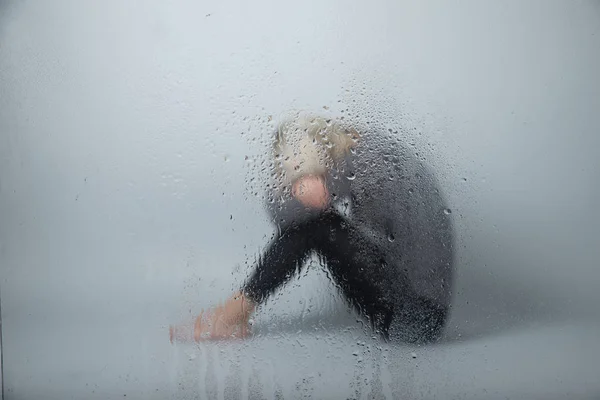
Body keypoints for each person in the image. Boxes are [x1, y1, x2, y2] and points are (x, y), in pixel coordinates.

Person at [170, 113, 454, 344]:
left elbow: (294, 215)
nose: (288, 175)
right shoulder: (360, 151)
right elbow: (288, 217)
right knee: (313, 224)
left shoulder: (362, 161)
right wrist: (298, 187)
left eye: (289, 167)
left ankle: (233, 313)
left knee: (315, 226)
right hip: (415, 314)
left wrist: (300, 185)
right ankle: (237, 312)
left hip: (415, 318)